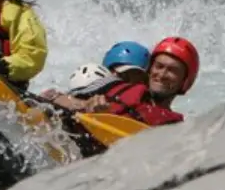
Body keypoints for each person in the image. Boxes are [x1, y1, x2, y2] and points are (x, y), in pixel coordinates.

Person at [46, 36, 198, 125]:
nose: (162, 74)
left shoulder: (174, 125)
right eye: (159, 66)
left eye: (172, 70)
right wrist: (85, 105)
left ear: (185, 82)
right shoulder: (115, 85)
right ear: (150, 69)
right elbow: (53, 97)